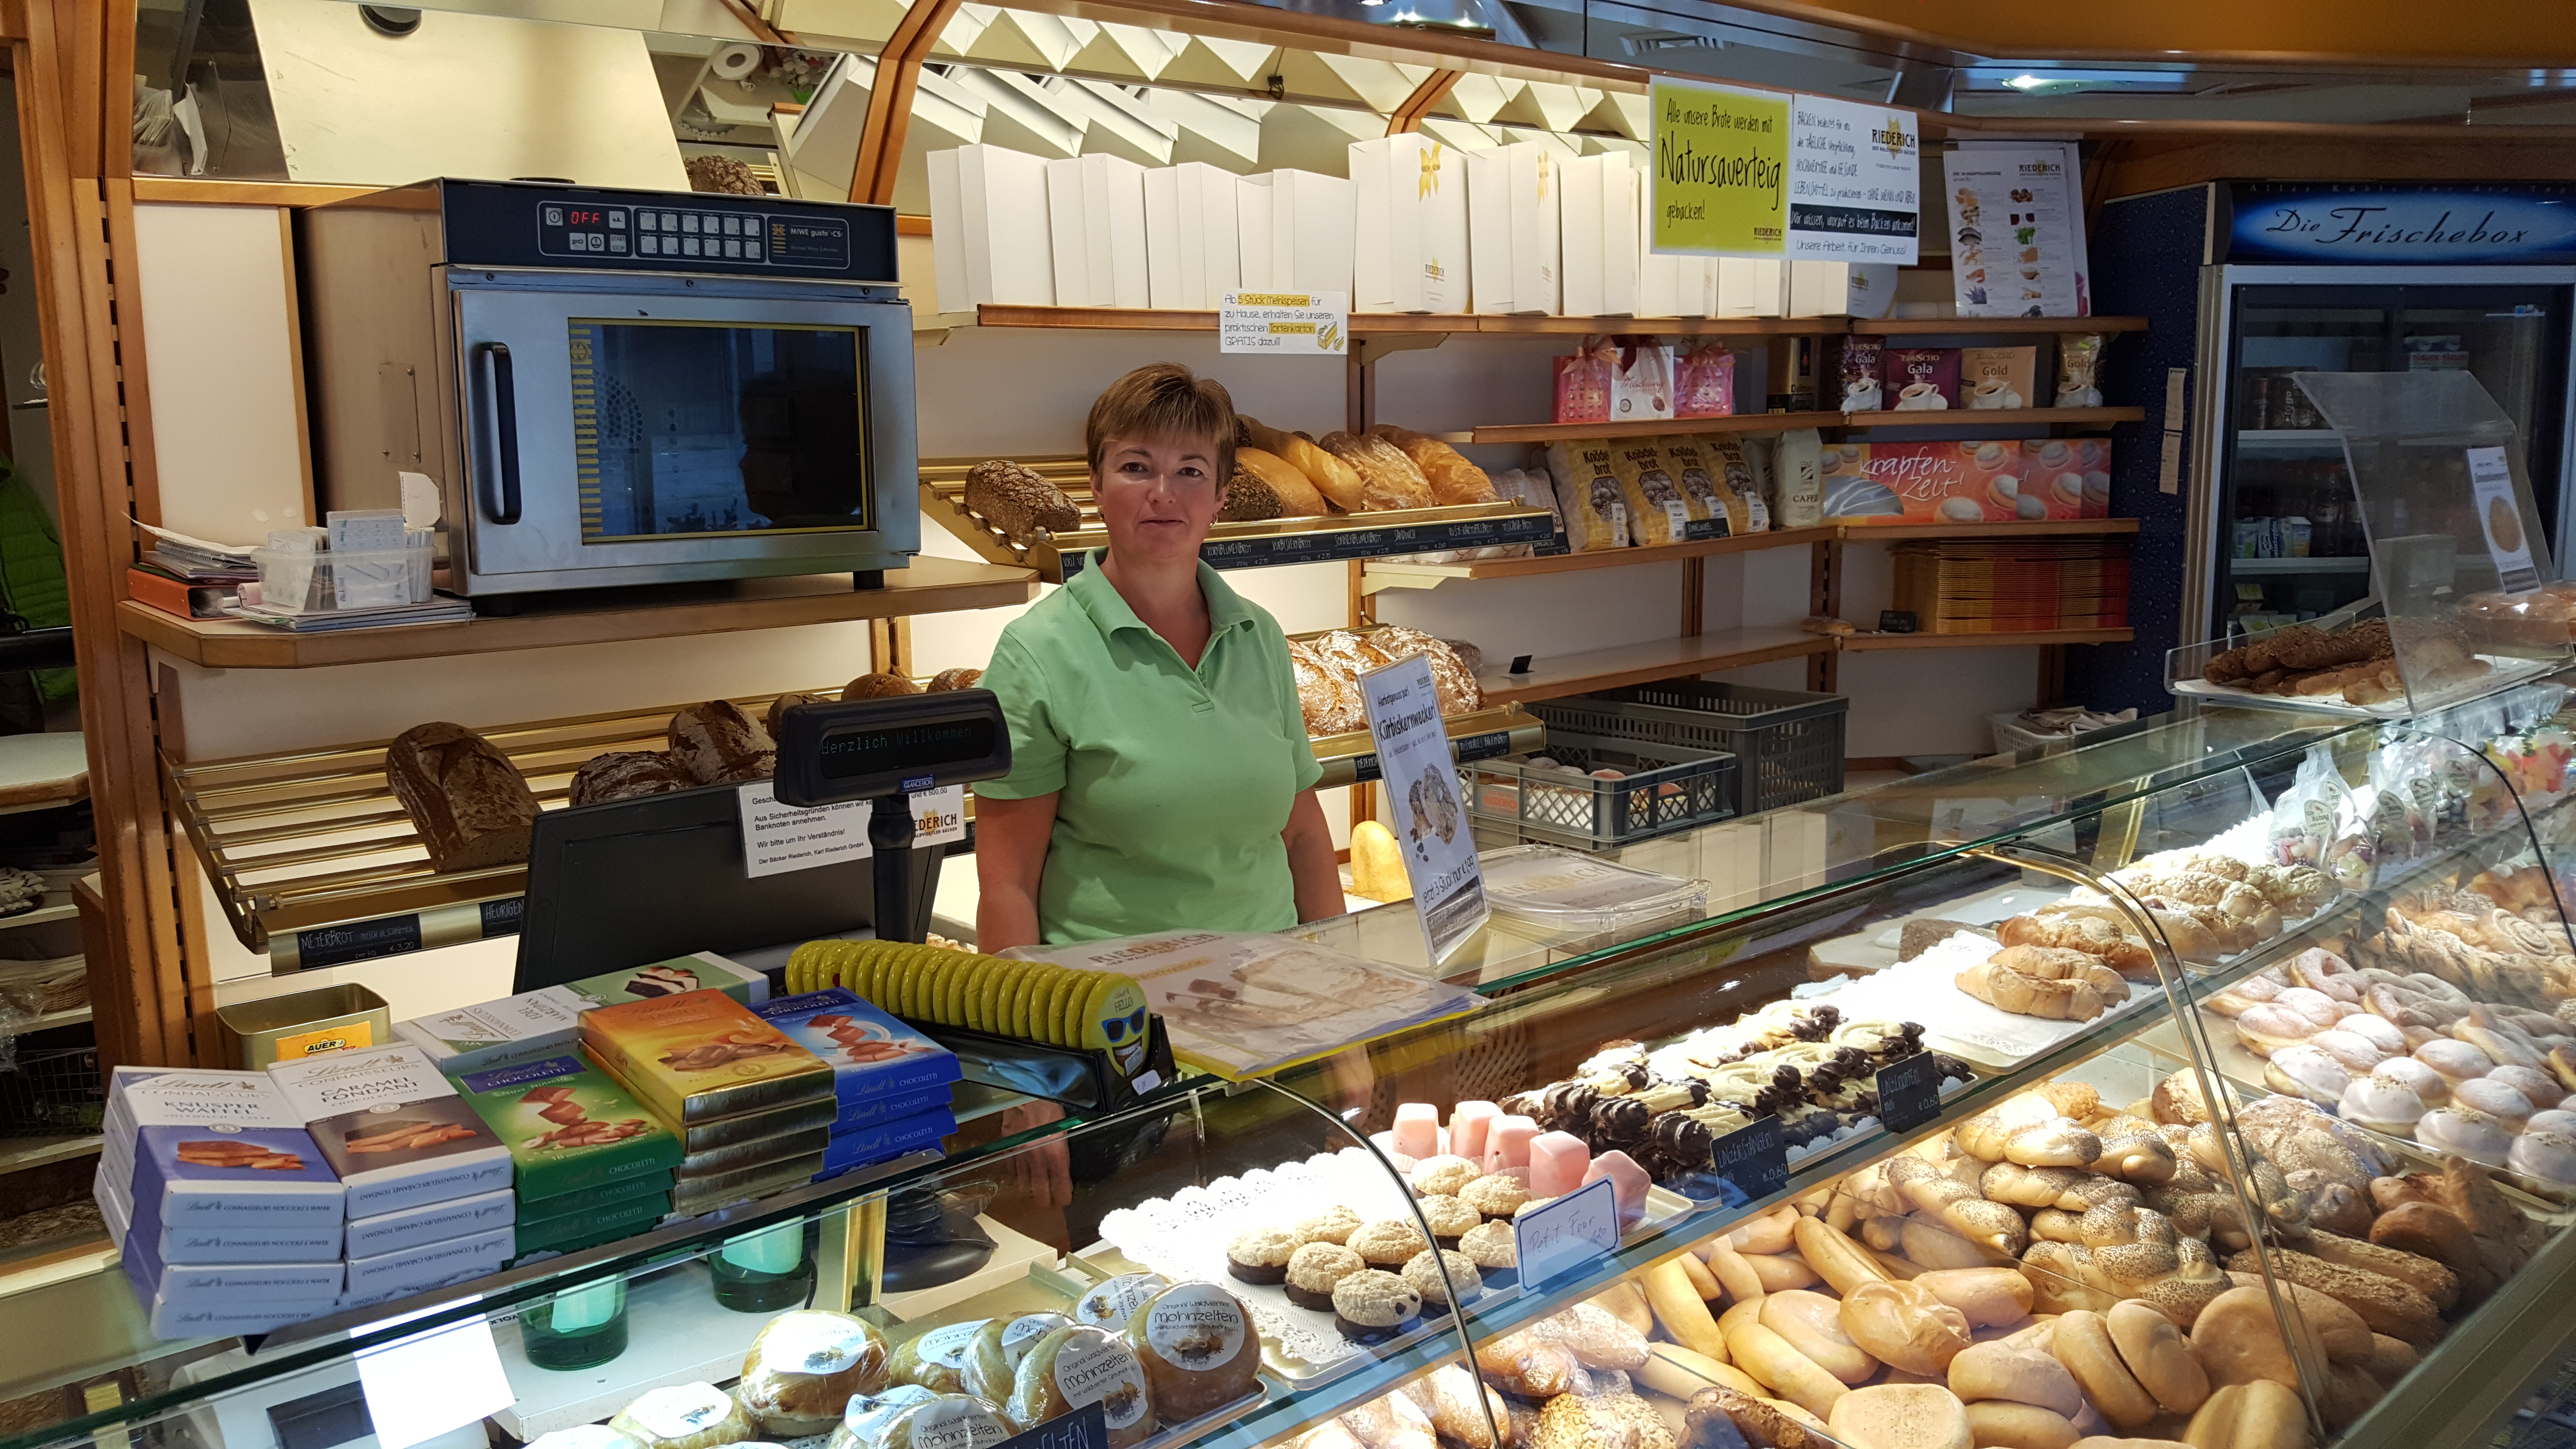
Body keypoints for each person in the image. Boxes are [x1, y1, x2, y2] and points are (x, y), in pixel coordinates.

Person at [975, 364, 1344, 950]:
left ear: (1220, 495)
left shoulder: (1257, 635)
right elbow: (1008, 888)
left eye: (1190, 471)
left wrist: (1341, 978)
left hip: (1271, 983)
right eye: (1136, 467)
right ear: (1096, 486)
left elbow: (1303, 836)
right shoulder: (1038, 653)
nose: (1163, 493)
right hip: (1115, 998)